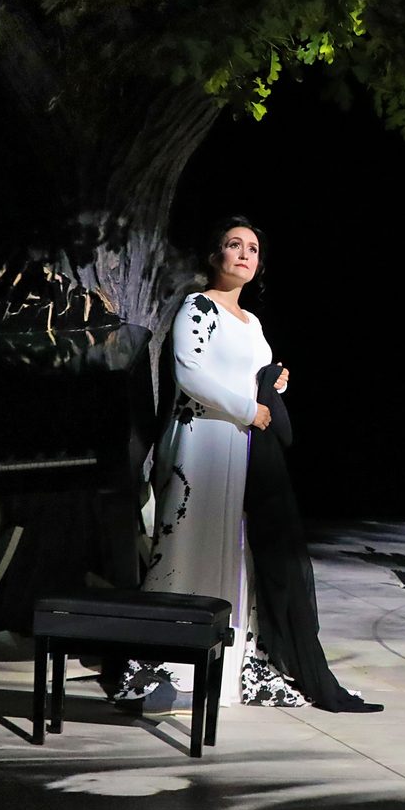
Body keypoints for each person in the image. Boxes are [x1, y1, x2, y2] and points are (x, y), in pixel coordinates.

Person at [116, 216, 301, 707]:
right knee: (189, 544)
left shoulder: (253, 323)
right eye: (234, 245)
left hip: (239, 446)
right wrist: (248, 408)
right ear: (214, 255)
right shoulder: (198, 307)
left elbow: (248, 376)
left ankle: (228, 667)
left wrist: (273, 385)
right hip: (201, 442)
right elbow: (190, 373)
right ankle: (164, 662)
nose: (244, 254)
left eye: (253, 249)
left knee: (234, 548)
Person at [243, 362, 382, 711]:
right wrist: (250, 407)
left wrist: (276, 384)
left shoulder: (252, 333)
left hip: (251, 433)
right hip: (226, 436)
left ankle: (267, 654)